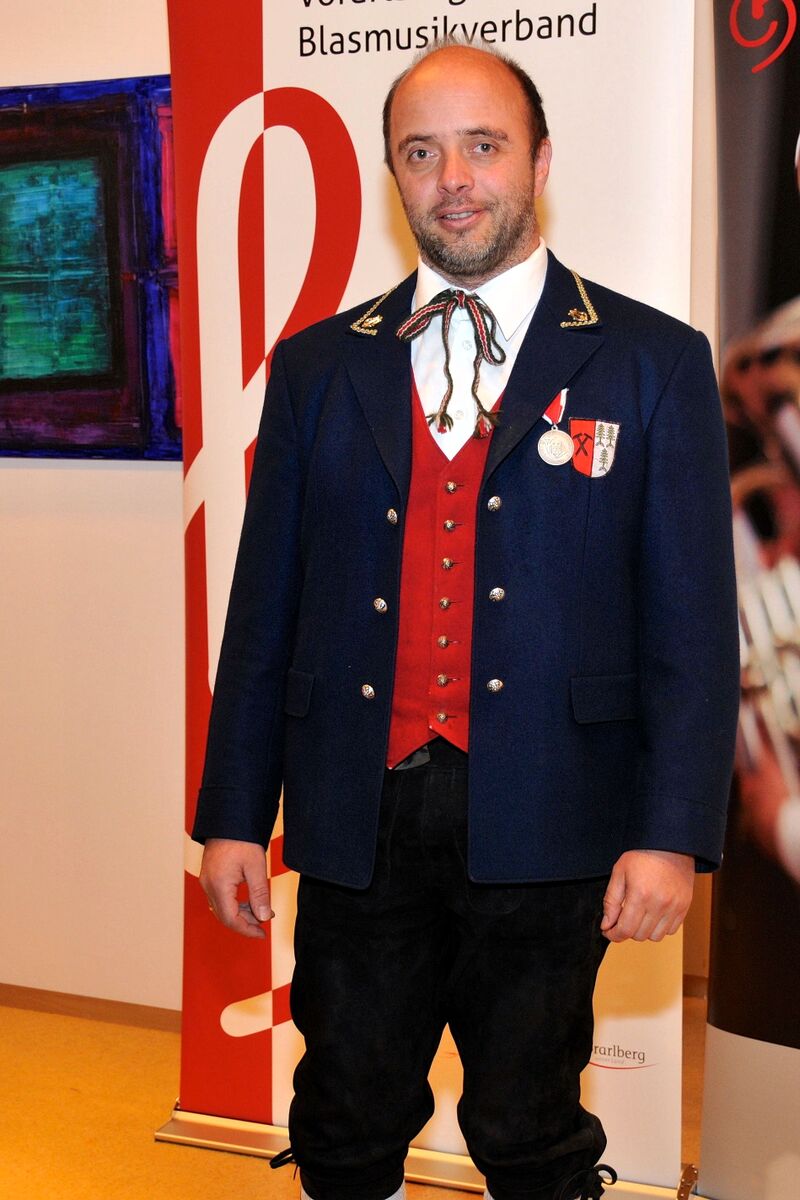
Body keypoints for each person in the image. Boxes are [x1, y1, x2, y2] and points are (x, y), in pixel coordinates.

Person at [194, 41, 740, 1200]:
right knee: (342, 1117)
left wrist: (670, 833)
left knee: (527, 1128)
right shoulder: (315, 368)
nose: (452, 178)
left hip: (553, 811)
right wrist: (234, 813)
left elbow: (692, 628)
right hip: (355, 807)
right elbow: (264, 610)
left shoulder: (651, 361)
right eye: (420, 152)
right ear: (393, 174)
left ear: (537, 162)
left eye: (481, 146)